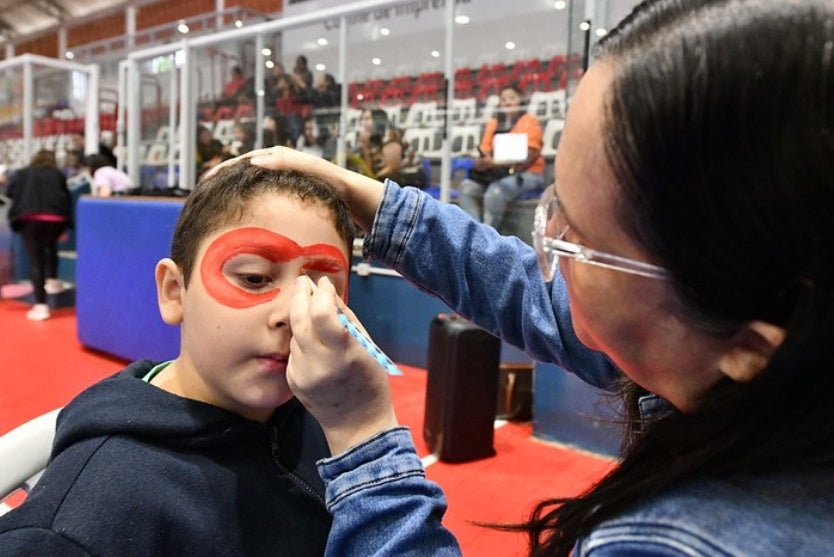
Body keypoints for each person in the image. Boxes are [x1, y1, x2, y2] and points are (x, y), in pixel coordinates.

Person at [227, 0, 834, 554]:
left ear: (748, 347)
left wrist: (363, 436)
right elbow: (533, 295)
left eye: (582, 243)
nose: (552, 250)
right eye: (554, 205)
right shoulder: (751, 368)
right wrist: (382, 206)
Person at [0, 160, 359, 554]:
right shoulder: (89, 522)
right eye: (254, 278)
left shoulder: (335, 423)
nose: (292, 314)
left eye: (322, 290)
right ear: (174, 291)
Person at [458, 83, 545, 230]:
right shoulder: (493, 124)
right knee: (466, 188)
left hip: (528, 173)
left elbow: (528, 156)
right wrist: (481, 161)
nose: (507, 102)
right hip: (498, 173)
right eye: (504, 99)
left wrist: (493, 163)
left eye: (512, 98)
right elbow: (485, 149)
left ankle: (488, 238)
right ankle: (476, 232)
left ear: (520, 101)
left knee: (495, 192)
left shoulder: (529, 121)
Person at [4, 150, 72, 320]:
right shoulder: (57, 174)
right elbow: (66, 197)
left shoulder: (23, 173)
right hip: (56, 219)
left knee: (36, 260)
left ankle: (41, 306)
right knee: (50, 246)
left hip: (30, 219)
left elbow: (9, 193)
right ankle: (54, 281)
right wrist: (64, 225)